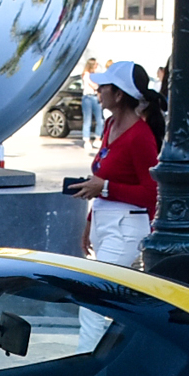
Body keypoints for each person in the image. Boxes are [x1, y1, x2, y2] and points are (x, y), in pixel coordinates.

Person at [68, 60, 163, 268]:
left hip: (124, 227)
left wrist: (106, 187)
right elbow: (102, 179)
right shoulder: (110, 125)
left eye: (105, 86)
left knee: (99, 290)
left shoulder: (140, 136)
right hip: (105, 222)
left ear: (119, 95)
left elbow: (151, 193)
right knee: (102, 290)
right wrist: (90, 222)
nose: (99, 90)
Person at [79, 56, 103, 147]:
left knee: (100, 120)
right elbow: (93, 85)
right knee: (87, 119)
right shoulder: (86, 74)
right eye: (96, 64)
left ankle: (98, 138)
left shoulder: (95, 75)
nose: (97, 66)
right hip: (87, 97)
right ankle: (87, 140)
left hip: (95, 97)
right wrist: (97, 86)